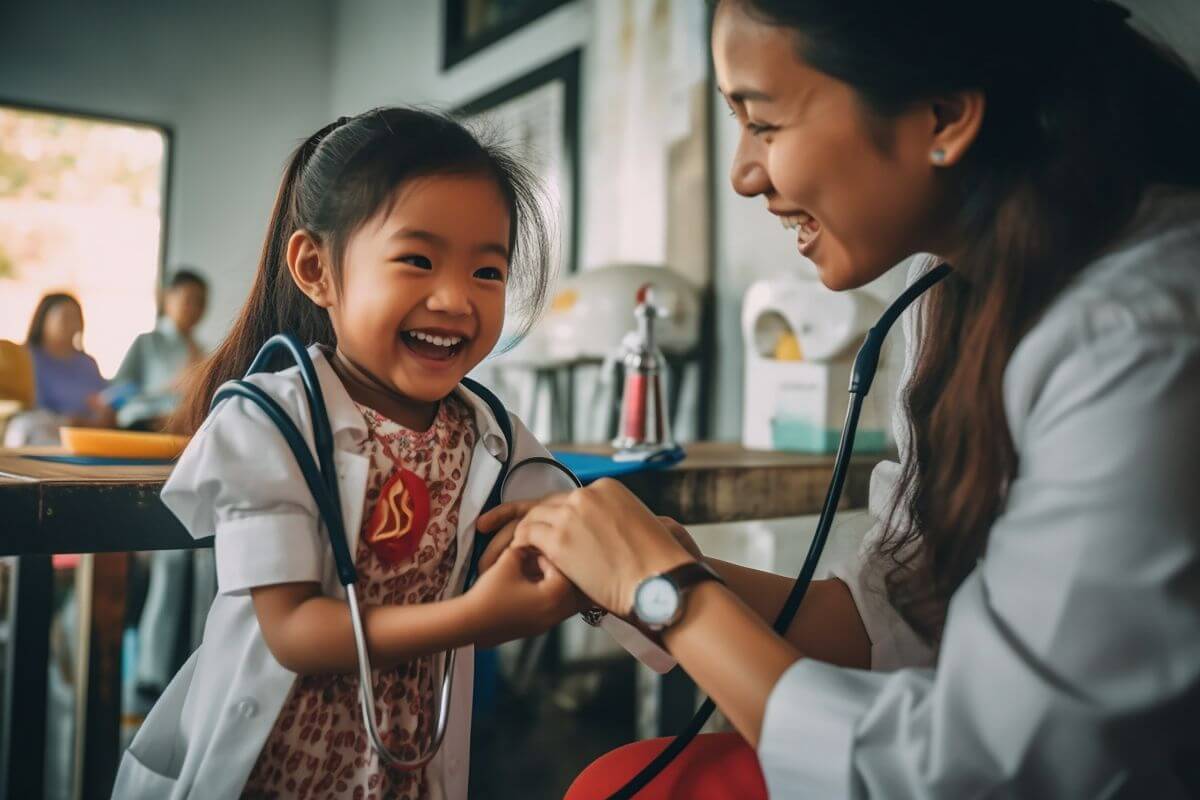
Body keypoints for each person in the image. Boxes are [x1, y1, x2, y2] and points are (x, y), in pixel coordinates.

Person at [478, 1, 1200, 796]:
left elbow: (986, 772)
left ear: (944, 115)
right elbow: (891, 621)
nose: (743, 174)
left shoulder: (1141, 337)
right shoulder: (948, 299)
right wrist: (639, 570)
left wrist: (667, 593)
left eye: (765, 125)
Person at [112, 108, 670, 800]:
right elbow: (293, 631)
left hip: (406, 767)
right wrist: (477, 620)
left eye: (488, 270)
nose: (455, 298)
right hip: (270, 769)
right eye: (418, 260)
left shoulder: (490, 432)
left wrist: (653, 580)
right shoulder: (273, 422)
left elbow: (582, 545)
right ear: (317, 269)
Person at [109, 269, 208, 431]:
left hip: (184, 424)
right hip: (145, 421)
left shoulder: (203, 350)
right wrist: (171, 387)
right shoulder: (147, 342)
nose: (195, 308)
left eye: (201, 302)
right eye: (188, 300)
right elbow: (117, 393)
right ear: (168, 299)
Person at [24, 292, 113, 429]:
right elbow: (27, 408)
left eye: (75, 318)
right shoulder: (25, 358)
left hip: (88, 435)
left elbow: (102, 399)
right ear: (44, 319)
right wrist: (68, 422)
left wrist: (105, 414)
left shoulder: (87, 363)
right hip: (44, 433)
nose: (71, 324)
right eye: (65, 317)